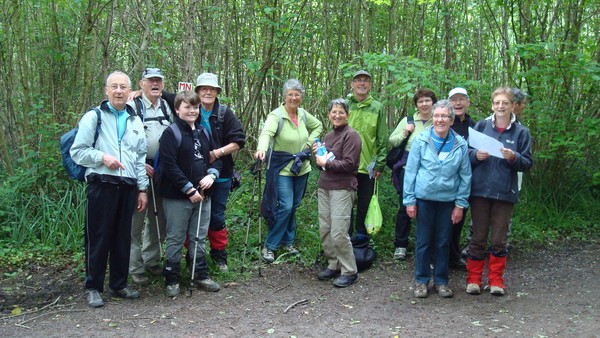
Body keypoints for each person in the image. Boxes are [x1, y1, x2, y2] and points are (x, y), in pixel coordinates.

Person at [70, 71, 148, 308]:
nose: (118, 91)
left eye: (123, 87)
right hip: (102, 185)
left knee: (122, 238)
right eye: (114, 86)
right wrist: (103, 157)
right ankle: (93, 287)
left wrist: (142, 189)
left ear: (130, 91)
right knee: (99, 237)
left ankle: (119, 284)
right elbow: (78, 151)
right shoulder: (94, 117)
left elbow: (139, 157)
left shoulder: (135, 120)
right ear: (106, 90)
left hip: (128, 187)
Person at [466, 87, 533, 296]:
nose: (501, 106)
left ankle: (496, 280)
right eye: (497, 103)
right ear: (492, 105)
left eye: (505, 102)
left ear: (513, 105)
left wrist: (514, 157)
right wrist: (476, 155)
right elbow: (466, 155)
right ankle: (473, 279)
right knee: (477, 237)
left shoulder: (521, 132)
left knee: (498, 239)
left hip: (505, 193)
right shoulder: (482, 126)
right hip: (479, 192)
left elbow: (528, 163)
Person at [404, 100, 471, 299]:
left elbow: (465, 176)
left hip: (448, 200)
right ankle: (421, 281)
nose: (439, 120)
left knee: (443, 241)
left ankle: (441, 281)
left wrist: (460, 204)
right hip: (424, 199)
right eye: (436, 116)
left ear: (451, 120)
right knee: (423, 242)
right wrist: (409, 200)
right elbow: (411, 171)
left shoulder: (460, 144)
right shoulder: (421, 140)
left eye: (444, 116)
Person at [159, 90, 223, 297]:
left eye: (195, 107)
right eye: (187, 107)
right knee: (176, 237)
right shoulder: (171, 133)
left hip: (204, 195)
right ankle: (172, 279)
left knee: (199, 237)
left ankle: (199, 274)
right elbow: (169, 165)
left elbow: (215, 158)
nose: (192, 111)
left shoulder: (204, 132)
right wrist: (188, 189)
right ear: (177, 110)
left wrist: (212, 176)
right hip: (178, 196)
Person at [255, 79, 323, 263]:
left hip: (302, 166)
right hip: (283, 168)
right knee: (285, 205)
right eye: (290, 94)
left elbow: (318, 126)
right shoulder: (276, 115)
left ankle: (288, 241)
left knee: (293, 205)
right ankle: (270, 246)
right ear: (284, 96)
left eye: (297, 94)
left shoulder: (302, 114)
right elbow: (266, 133)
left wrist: (309, 144)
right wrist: (261, 149)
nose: (294, 97)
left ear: (301, 97)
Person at [194, 73, 246, 272]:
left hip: (222, 174)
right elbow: (165, 96)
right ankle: (195, 257)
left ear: (217, 92)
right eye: (204, 89)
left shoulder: (225, 113)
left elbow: (239, 141)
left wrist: (217, 153)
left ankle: (219, 255)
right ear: (197, 91)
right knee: (195, 215)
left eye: (212, 89)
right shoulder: (190, 110)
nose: (208, 92)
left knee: (216, 215)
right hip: (195, 174)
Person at [127, 68, 173, 285]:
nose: (155, 84)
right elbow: (123, 142)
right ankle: (134, 266)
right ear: (141, 83)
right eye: (150, 80)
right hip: (138, 172)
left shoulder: (167, 105)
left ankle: (151, 261)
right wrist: (140, 164)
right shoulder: (131, 106)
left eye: (159, 81)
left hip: (161, 172)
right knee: (136, 220)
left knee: (157, 219)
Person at [314, 99, 362, 288]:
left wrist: (326, 163)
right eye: (334, 112)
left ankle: (350, 270)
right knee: (325, 228)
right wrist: (319, 159)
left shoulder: (352, 136)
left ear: (347, 115)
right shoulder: (327, 136)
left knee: (339, 231)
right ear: (328, 115)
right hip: (325, 186)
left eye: (341, 112)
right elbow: (324, 166)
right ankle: (333, 264)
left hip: (342, 188)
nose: (337, 115)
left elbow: (350, 164)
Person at [388, 88, 436, 259]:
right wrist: (406, 131)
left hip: (431, 169)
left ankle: (425, 245)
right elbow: (392, 141)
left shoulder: (437, 120)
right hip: (407, 168)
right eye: (420, 101)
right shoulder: (408, 120)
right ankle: (401, 245)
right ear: (416, 105)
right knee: (405, 206)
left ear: (433, 103)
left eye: (427, 101)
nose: (424, 104)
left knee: (428, 207)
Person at [346, 70, 388, 237]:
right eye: (358, 80)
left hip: (368, 166)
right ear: (352, 84)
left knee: (364, 203)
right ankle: (346, 238)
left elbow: (382, 137)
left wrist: (380, 164)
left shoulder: (377, 107)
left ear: (370, 85)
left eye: (365, 81)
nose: (362, 84)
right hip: (346, 165)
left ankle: (361, 239)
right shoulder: (345, 105)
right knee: (346, 204)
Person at [447, 87, 476, 270]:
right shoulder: (444, 124)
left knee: (459, 218)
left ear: (468, 102)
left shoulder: (475, 126)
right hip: (446, 179)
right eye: (454, 100)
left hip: (465, 179)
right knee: (444, 221)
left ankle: (454, 255)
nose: (458, 103)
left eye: (461, 99)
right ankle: (440, 256)